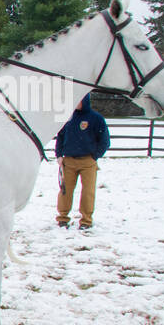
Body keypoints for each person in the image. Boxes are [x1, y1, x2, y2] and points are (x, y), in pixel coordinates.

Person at [55, 93, 110, 230]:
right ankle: (62, 218)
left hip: (88, 161)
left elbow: (104, 141)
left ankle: (86, 220)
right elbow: (60, 137)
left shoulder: (96, 119)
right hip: (68, 160)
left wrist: (95, 156)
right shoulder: (68, 118)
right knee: (65, 190)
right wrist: (59, 155)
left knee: (88, 191)